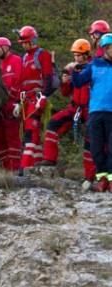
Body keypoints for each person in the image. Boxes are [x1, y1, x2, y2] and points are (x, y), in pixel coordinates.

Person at [38, 39, 94, 184]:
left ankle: (90, 176)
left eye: (79, 54)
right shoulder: (72, 69)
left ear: (87, 54)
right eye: (75, 54)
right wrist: (64, 81)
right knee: (53, 124)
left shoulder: (94, 67)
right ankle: (49, 159)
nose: (76, 57)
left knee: (91, 140)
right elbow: (65, 92)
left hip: (90, 109)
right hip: (75, 107)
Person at [72, 33, 112, 191]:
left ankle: (110, 180)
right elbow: (79, 82)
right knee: (95, 149)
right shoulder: (95, 65)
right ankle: (102, 178)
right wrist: (75, 70)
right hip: (95, 113)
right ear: (105, 49)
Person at [15, 25, 55, 174]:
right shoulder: (24, 58)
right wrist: (17, 103)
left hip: (37, 99)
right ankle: (36, 164)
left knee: (31, 131)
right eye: (22, 43)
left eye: (25, 42)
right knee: (31, 131)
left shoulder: (42, 55)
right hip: (26, 100)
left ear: (32, 40)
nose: (24, 45)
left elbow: (48, 79)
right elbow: (22, 82)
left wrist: (43, 97)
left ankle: (24, 166)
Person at [0, 36, 23, 171]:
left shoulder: (16, 61)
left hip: (13, 106)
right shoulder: (0, 65)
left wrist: (18, 103)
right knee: (0, 140)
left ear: (6, 47)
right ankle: (6, 170)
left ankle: (15, 170)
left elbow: (20, 81)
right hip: (2, 109)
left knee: (13, 139)